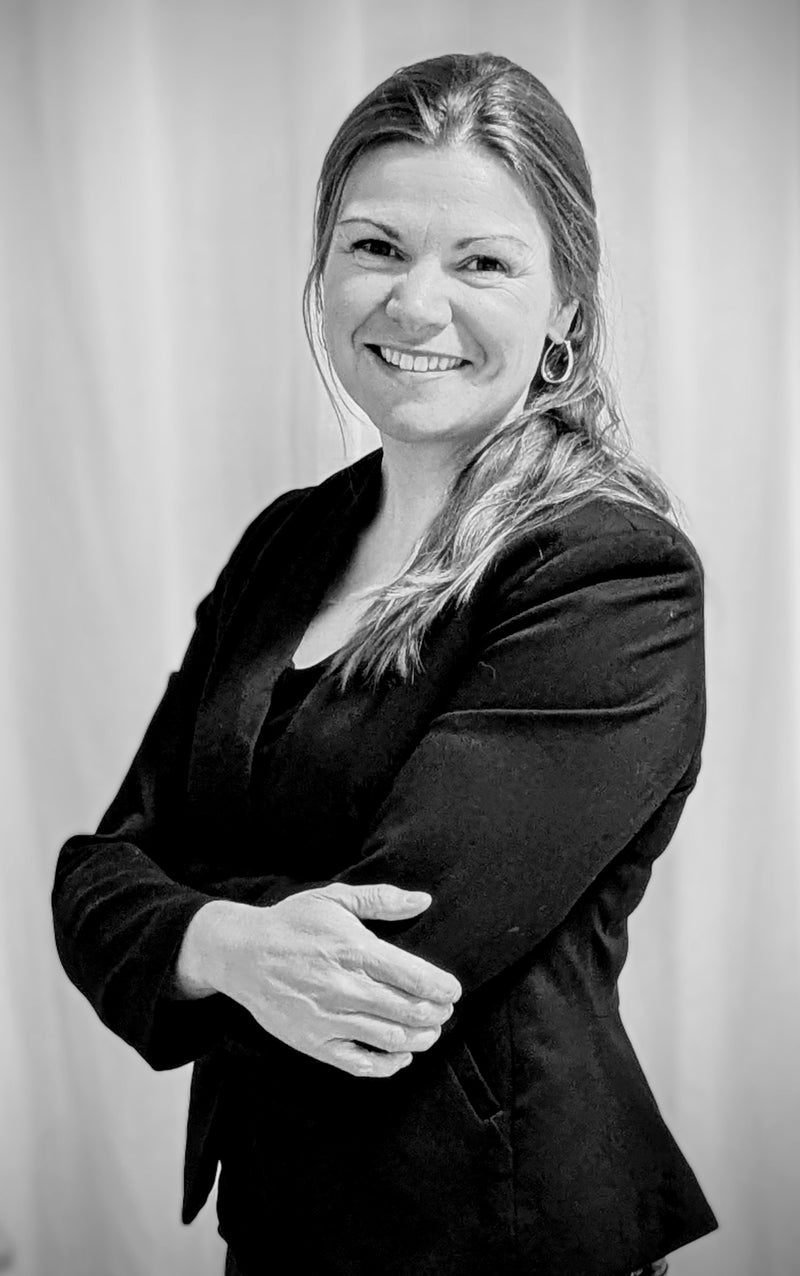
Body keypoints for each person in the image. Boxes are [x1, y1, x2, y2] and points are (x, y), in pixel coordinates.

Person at [52, 51, 718, 1276]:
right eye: (374, 247)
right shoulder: (286, 544)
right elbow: (99, 871)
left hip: (501, 1238)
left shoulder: (609, 573)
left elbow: (387, 963)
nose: (415, 305)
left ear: (565, 305)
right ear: (322, 273)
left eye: (482, 262)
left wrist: (187, 924)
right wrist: (234, 948)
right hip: (280, 1221)